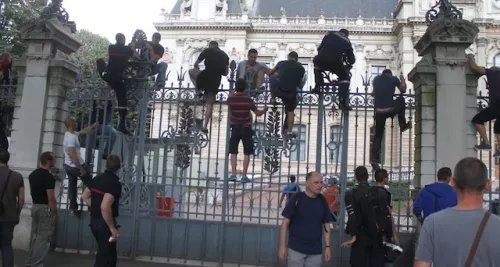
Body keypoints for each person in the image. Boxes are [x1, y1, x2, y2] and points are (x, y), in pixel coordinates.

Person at [414, 158, 500, 267]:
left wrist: (421, 219)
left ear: (453, 182)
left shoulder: (431, 223)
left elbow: (421, 265)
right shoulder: (497, 225)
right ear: (487, 184)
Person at [279, 171, 333, 267]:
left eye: (321, 182)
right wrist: (282, 246)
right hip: (296, 249)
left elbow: (326, 225)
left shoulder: (322, 201)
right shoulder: (297, 198)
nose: (320, 185)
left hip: (315, 251)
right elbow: (285, 223)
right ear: (307, 183)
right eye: (316, 182)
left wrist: (328, 247)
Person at [342, 166, 389, 267]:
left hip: (360, 236)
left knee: (358, 263)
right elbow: (385, 214)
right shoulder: (379, 192)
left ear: (356, 177)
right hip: (376, 234)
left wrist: (353, 235)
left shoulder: (351, 194)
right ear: (368, 176)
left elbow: (352, 216)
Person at [82, 155, 122, 267]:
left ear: (106, 165)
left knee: (107, 253)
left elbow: (85, 196)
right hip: (105, 224)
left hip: (94, 221)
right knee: (105, 257)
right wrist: (112, 227)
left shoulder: (97, 179)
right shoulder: (114, 183)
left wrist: (95, 207)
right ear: (119, 167)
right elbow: (105, 206)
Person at [96, 33, 138, 134]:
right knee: (122, 99)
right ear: (123, 40)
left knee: (106, 100)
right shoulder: (126, 50)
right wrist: (132, 47)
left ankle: (101, 121)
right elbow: (137, 57)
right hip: (118, 78)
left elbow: (118, 54)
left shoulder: (111, 47)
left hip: (108, 76)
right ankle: (122, 124)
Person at [227, 79, 267, 183]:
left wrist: (233, 92)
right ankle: (244, 175)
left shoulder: (231, 98)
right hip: (246, 127)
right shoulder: (248, 99)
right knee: (247, 152)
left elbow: (229, 102)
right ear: (245, 87)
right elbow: (257, 113)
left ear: (235, 87)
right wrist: (265, 110)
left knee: (233, 151)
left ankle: (233, 174)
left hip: (235, 127)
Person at [371, 69, 411, 170]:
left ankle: (374, 160)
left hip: (379, 112)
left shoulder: (375, 79)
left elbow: (373, 93)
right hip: (390, 109)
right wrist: (402, 79)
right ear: (390, 74)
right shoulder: (393, 79)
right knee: (401, 100)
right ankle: (402, 125)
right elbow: (403, 90)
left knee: (378, 135)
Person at [190, 41, 230, 134]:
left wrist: (197, 67)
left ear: (210, 45)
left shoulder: (208, 51)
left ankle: (199, 91)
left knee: (191, 72)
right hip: (215, 81)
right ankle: (205, 126)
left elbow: (196, 63)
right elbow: (226, 72)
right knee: (209, 104)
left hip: (205, 76)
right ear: (218, 46)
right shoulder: (225, 56)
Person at [26, 152, 57, 267]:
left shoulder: (32, 175)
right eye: (53, 159)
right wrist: (54, 214)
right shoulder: (49, 178)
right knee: (43, 238)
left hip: (35, 207)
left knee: (35, 236)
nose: (54, 161)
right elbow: (51, 199)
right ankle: (36, 264)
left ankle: (30, 261)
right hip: (45, 209)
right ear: (48, 161)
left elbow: (32, 192)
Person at [313, 29, 356, 110]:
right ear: (346, 35)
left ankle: (318, 86)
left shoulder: (329, 34)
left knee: (317, 66)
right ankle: (342, 101)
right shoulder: (347, 41)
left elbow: (319, 48)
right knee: (345, 77)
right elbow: (352, 60)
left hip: (321, 60)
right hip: (335, 62)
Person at [63, 116, 98, 215]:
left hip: (68, 166)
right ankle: (93, 206)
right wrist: (80, 168)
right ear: (71, 124)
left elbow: (83, 131)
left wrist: (93, 126)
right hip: (75, 166)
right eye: (75, 121)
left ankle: (73, 208)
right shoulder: (70, 138)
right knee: (92, 184)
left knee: (72, 186)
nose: (77, 122)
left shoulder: (71, 134)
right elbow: (72, 155)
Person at [467, 54, 500, 155]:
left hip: (498, 103)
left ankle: (486, 142)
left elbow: (474, 67)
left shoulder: (491, 72)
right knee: (498, 128)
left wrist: (470, 58)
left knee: (477, 119)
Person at [269, 51, 306, 139]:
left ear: (288, 57)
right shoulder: (301, 68)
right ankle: (289, 131)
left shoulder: (281, 63)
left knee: (271, 78)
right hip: (291, 93)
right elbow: (300, 83)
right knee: (290, 112)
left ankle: (273, 99)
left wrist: (278, 75)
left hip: (280, 90)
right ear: (297, 59)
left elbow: (271, 73)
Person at [0, 149, 24, 267]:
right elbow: (22, 199)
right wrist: (17, 213)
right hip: (9, 217)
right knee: (6, 246)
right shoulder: (17, 176)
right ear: (7, 160)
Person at [84, 100, 118, 165]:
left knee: (114, 133)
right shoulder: (95, 99)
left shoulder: (110, 101)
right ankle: (88, 162)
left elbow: (115, 103)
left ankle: (106, 154)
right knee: (89, 143)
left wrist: (112, 96)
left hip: (104, 126)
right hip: (93, 125)